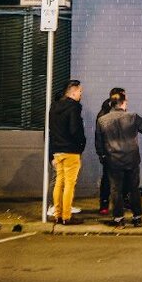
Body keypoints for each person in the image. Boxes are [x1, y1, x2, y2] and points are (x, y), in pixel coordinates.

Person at [95, 92, 142, 228]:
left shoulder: (102, 120)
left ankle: (119, 219)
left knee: (116, 190)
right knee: (133, 189)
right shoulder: (132, 117)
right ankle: (137, 217)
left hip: (113, 160)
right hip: (131, 159)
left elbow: (99, 142)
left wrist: (102, 157)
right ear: (123, 103)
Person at [50, 80, 85, 225]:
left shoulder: (54, 107)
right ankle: (66, 216)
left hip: (58, 150)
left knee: (59, 183)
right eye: (80, 92)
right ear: (73, 92)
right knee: (69, 184)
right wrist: (81, 143)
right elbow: (75, 129)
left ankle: (57, 214)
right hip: (71, 150)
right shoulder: (74, 107)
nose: (81, 95)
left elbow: (51, 130)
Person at [96, 88, 129, 215]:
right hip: (110, 152)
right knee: (108, 180)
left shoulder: (107, 111)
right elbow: (99, 136)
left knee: (120, 178)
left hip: (115, 151)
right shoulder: (104, 113)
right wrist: (101, 153)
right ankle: (105, 204)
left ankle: (118, 203)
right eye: (124, 96)